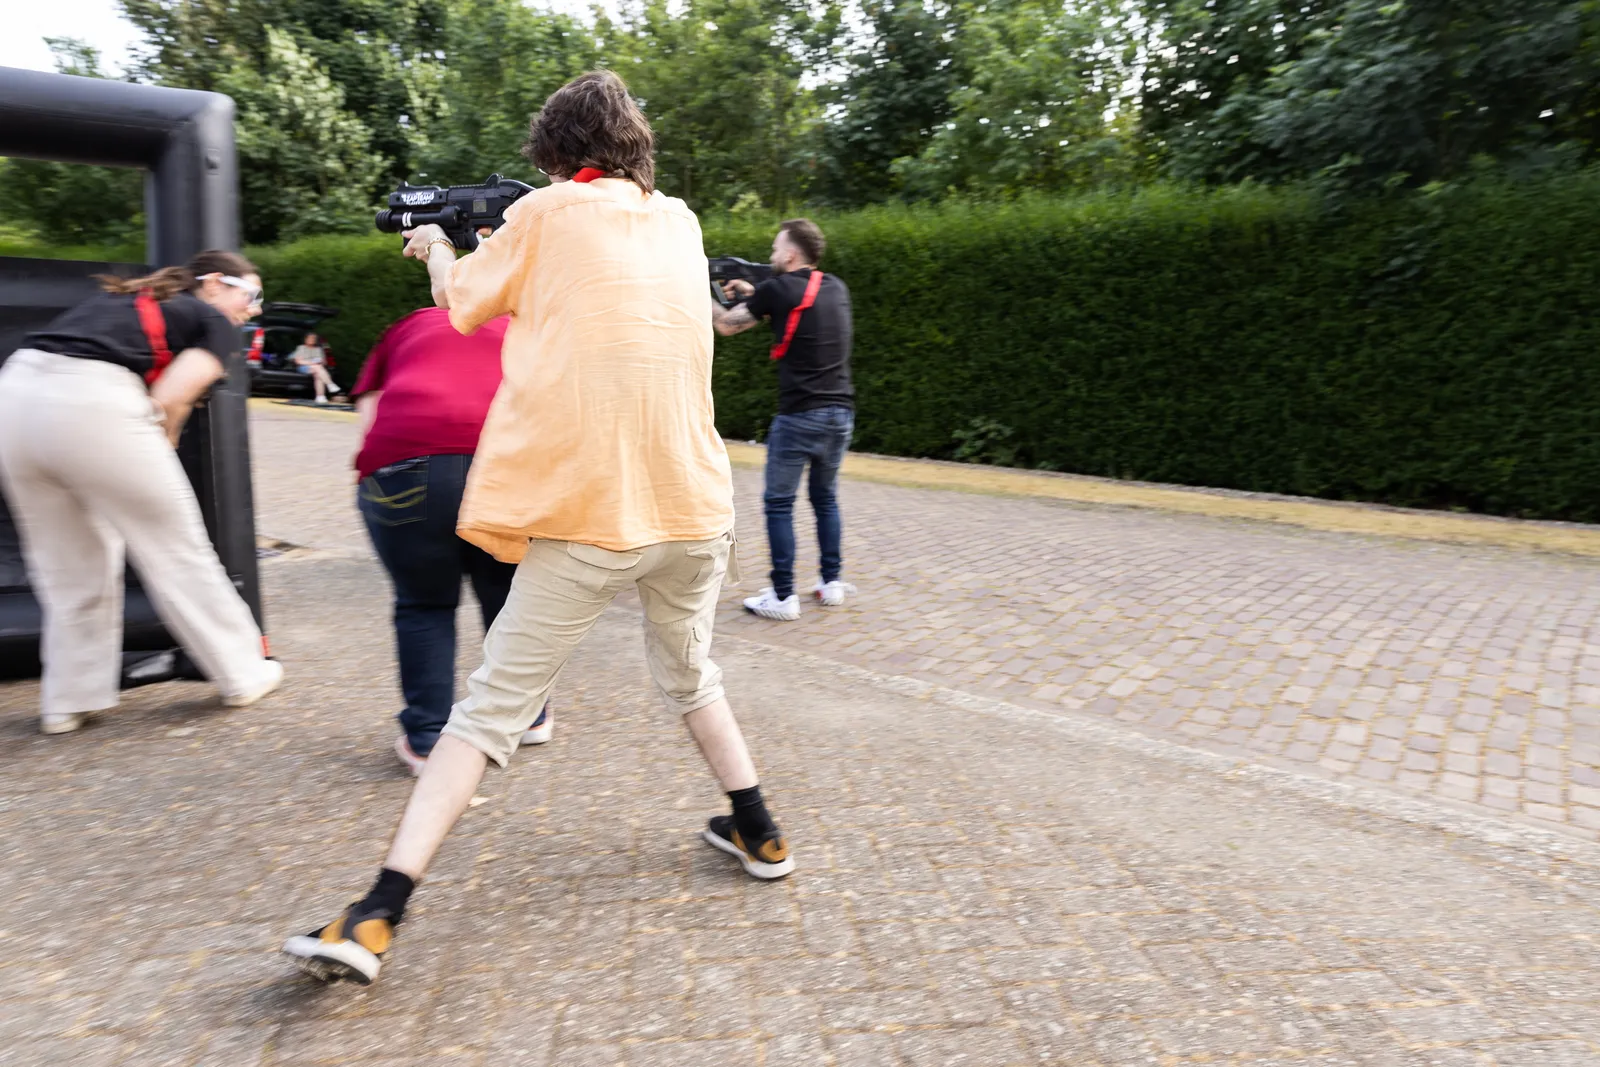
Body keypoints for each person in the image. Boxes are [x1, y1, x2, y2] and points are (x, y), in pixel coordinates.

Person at [283, 70, 792, 987]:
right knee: (690, 673)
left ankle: (375, 915)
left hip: (594, 515)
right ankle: (759, 827)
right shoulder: (679, 221)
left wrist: (440, 243)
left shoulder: (550, 213)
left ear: (557, 156)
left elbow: (460, 302)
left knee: (484, 715)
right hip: (695, 509)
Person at [0, 249, 284, 735]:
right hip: (92, 401)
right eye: (252, 294)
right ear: (214, 283)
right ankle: (245, 672)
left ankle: (68, 701)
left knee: (68, 567)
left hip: (13, 399)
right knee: (178, 549)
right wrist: (161, 447)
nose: (254, 308)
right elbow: (169, 399)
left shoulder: (120, 299)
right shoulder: (211, 319)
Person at [350, 307, 552, 775]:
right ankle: (527, 717)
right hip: (504, 464)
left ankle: (427, 741)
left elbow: (370, 410)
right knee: (509, 597)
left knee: (424, 604)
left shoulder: (409, 324)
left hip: (404, 462)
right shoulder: (529, 324)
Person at [712, 219, 857, 622]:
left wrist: (694, 291)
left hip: (799, 417)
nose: (772, 255)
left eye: (776, 249)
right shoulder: (835, 286)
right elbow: (796, 303)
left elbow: (725, 324)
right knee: (825, 499)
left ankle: (782, 596)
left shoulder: (777, 289)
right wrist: (754, 292)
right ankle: (831, 585)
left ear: (791, 253)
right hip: (840, 414)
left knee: (779, 504)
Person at [292, 332, 340, 404]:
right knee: (317, 367)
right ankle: (330, 384)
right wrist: (311, 363)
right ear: (306, 339)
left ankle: (320, 397)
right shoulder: (301, 348)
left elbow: (324, 362)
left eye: (314, 338)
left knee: (318, 375)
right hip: (304, 367)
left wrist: (320, 361)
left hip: (317, 368)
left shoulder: (319, 349)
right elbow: (298, 361)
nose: (312, 340)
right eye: (310, 338)